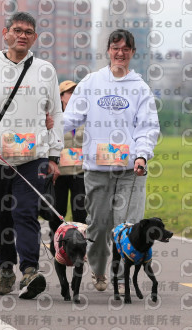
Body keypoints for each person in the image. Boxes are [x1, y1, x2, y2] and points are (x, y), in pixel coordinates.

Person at [0, 11, 63, 299]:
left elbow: (55, 112)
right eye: (17, 30)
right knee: (2, 214)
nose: (22, 35)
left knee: (26, 211)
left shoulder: (46, 69)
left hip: (33, 157)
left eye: (28, 31)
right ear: (5, 33)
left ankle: (30, 271)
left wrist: (54, 155)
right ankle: (6, 268)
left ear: (35, 38)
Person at [62, 28, 160, 292]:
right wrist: (49, 133)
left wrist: (141, 155)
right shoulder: (92, 83)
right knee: (99, 224)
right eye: (115, 48)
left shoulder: (140, 88)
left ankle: (120, 275)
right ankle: (99, 270)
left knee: (126, 226)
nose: (120, 53)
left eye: (125, 49)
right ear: (108, 51)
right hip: (97, 169)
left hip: (130, 170)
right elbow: (70, 120)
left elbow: (148, 128)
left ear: (133, 53)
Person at [48, 80, 87, 255]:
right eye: (69, 92)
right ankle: (56, 242)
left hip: (80, 171)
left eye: (75, 92)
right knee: (58, 210)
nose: (72, 96)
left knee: (80, 211)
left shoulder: (86, 115)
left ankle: (80, 245)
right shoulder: (53, 117)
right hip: (59, 172)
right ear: (61, 96)